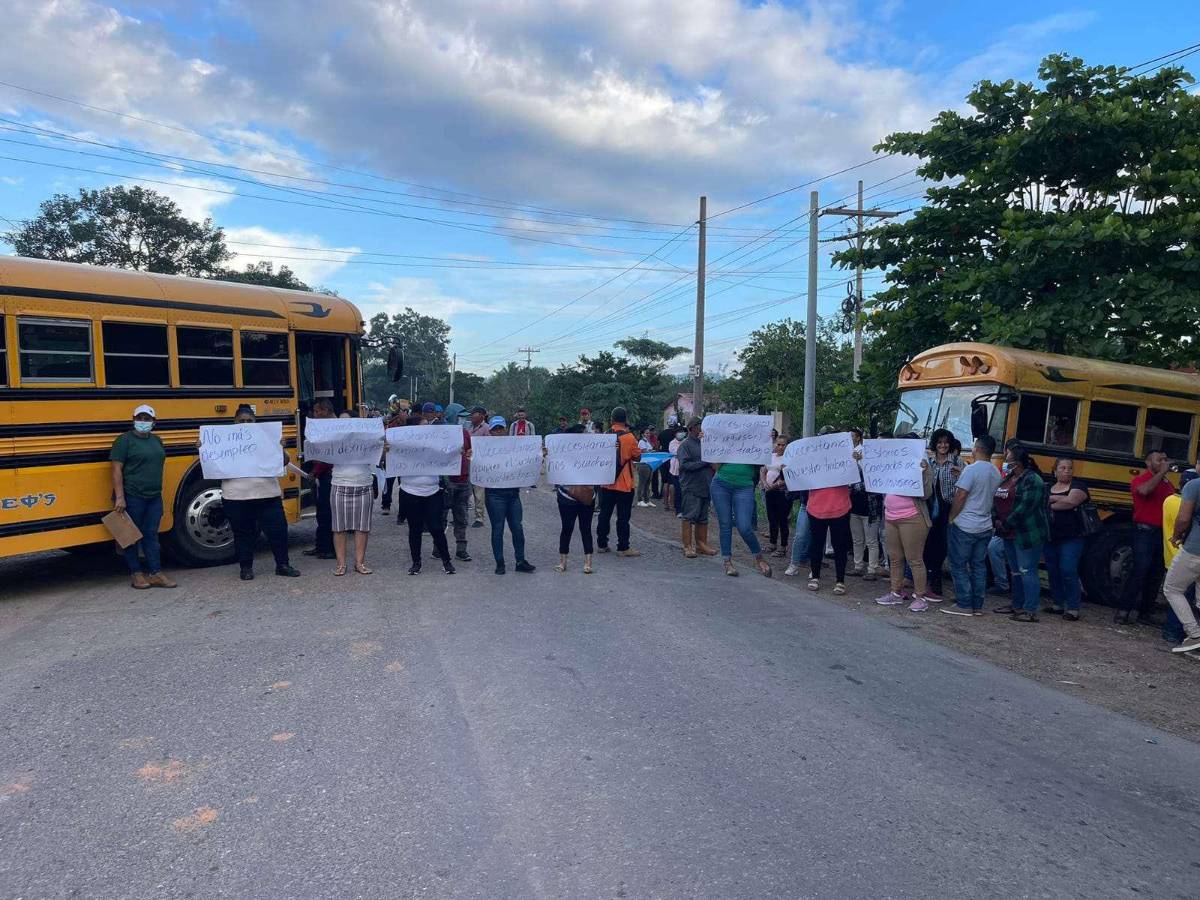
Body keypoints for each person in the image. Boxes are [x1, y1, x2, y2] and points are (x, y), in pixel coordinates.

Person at [212, 405, 300, 581]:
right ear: (234, 422)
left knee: (278, 531)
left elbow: (283, 461)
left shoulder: (267, 437)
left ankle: (282, 564)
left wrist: (280, 447)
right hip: (236, 496)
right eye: (241, 421)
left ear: (255, 422)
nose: (245, 424)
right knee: (243, 533)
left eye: (249, 421)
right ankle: (246, 568)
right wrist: (203, 447)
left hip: (267, 494)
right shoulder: (223, 440)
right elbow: (212, 464)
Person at [109, 404, 177, 589]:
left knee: (151, 535)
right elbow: (116, 469)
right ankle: (136, 574)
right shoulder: (124, 441)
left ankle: (155, 573)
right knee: (130, 536)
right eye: (140, 418)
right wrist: (120, 497)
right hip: (132, 496)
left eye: (147, 419)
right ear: (133, 419)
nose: (143, 422)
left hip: (154, 496)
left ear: (154, 422)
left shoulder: (156, 440)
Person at [942, 435, 1001, 617]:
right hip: (984, 525)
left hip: (965, 524)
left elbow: (961, 496)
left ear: (978, 448)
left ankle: (964, 603)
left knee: (958, 565)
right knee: (978, 566)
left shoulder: (971, 470)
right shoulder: (995, 472)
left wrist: (952, 517)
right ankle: (977, 604)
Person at [1116, 449, 1176, 625]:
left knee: (1156, 573)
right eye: (1159, 460)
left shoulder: (1167, 484)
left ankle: (1145, 612)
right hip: (1145, 532)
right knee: (1140, 571)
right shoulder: (1141, 480)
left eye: (1165, 459)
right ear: (1148, 463)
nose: (1163, 462)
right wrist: (1163, 472)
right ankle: (1123, 610)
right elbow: (1144, 491)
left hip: (1162, 533)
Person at [873, 440, 935, 611]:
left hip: (912, 518)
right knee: (895, 558)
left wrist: (924, 472)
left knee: (914, 559)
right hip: (891, 517)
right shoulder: (892, 465)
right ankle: (895, 593)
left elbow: (926, 494)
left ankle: (920, 597)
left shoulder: (924, 466)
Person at [993, 444, 1050, 623]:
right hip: (1008, 532)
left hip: (1026, 533)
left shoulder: (1033, 480)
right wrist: (996, 519)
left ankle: (1030, 609)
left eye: (1007, 457)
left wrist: (1006, 523)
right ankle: (1016, 604)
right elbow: (996, 498)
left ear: (1016, 462)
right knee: (1015, 571)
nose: (1004, 460)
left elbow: (1025, 508)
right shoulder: (1009, 477)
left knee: (1027, 570)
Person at [398, 414, 456, 576]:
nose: (427, 428)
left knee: (436, 528)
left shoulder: (435, 443)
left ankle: (447, 561)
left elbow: (448, 454)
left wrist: (458, 451)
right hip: (410, 492)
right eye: (423, 426)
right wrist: (389, 450)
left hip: (432, 491)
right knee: (414, 529)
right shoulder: (402, 444)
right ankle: (416, 562)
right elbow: (389, 463)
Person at [480, 416, 536, 574]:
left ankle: (520, 560)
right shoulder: (484, 448)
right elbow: (477, 465)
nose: (498, 432)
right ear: (490, 431)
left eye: (500, 428)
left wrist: (539, 454)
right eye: (495, 429)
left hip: (513, 493)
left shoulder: (515, 446)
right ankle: (500, 563)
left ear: (505, 429)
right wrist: (472, 455)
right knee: (498, 529)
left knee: (517, 528)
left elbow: (527, 460)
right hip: (494, 495)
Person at [1042, 458, 1090, 620]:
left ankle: (1073, 607)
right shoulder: (1048, 487)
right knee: (1053, 570)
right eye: (1062, 468)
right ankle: (1057, 603)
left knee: (1068, 569)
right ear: (1055, 471)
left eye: (1070, 468)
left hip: (1072, 536)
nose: (1067, 471)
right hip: (1050, 535)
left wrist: (1051, 502)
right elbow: (1040, 503)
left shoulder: (1079, 486)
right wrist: (1058, 500)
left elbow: (1071, 502)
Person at [330, 410, 376, 576]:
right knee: (339, 527)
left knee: (362, 527)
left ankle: (359, 563)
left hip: (363, 485)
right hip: (339, 484)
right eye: (340, 422)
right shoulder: (332, 439)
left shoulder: (367, 438)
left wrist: (383, 447)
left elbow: (379, 457)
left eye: (347, 421)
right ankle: (341, 564)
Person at [710, 458, 773, 578]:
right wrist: (708, 442)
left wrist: (767, 440)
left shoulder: (755, 440)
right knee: (725, 524)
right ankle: (727, 561)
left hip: (744, 486)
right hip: (721, 484)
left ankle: (759, 557)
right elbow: (713, 464)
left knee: (744, 527)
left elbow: (761, 461)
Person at [596, 406, 642, 557]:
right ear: (626, 420)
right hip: (624, 484)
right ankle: (623, 547)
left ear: (612, 419)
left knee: (604, 514)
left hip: (606, 482)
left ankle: (602, 544)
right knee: (623, 517)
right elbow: (637, 456)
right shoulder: (629, 438)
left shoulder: (604, 436)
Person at [923, 429, 962, 600]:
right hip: (929, 507)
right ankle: (926, 580)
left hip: (948, 508)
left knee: (942, 545)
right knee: (927, 544)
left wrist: (959, 474)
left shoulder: (958, 462)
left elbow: (966, 486)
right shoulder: (928, 462)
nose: (943, 445)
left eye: (946, 442)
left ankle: (936, 580)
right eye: (939, 442)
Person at [1163, 475, 1200, 652]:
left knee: (1172, 588)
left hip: (1195, 549)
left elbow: (1184, 518)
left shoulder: (1195, 485)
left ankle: (1194, 634)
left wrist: (1177, 535)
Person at [553, 424, 596, 574]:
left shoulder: (595, 451)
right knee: (567, 528)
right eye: (585, 433)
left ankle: (588, 562)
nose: (589, 435)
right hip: (567, 495)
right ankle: (563, 561)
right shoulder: (562, 451)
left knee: (586, 528)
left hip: (587, 495)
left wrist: (612, 450)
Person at [301, 399, 338, 559]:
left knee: (327, 513)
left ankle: (329, 548)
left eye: (317, 412)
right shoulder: (325, 426)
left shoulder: (333, 427)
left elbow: (328, 455)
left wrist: (314, 472)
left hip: (329, 475)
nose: (315, 415)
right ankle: (321, 545)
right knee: (322, 513)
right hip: (323, 474)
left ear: (325, 410)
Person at [438, 404, 474, 563]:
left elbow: (471, 452)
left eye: (465, 417)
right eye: (461, 416)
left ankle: (461, 549)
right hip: (447, 482)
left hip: (463, 481)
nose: (464, 420)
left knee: (461, 517)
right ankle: (438, 548)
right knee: (441, 517)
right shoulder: (441, 435)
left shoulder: (466, 433)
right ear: (452, 416)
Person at [676, 416, 716, 558]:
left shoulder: (706, 443)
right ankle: (687, 546)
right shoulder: (685, 445)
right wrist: (704, 462)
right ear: (692, 428)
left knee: (703, 517)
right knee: (689, 516)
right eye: (699, 425)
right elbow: (685, 465)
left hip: (706, 485)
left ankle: (701, 544)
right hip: (691, 486)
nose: (702, 428)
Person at [847, 427, 883, 579]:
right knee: (857, 539)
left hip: (870, 509)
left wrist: (860, 461)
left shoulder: (876, 465)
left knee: (871, 541)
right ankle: (858, 566)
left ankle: (872, 569)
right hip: (854, 507)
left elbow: (872, 484)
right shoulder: (850, 459)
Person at [805, 480, 851, 594]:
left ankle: (840, 580)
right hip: (816, 505)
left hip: (840, 505)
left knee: (840, 545)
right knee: (816, 543)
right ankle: (815, 576)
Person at [760, 435, 793, 558]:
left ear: (787, 445)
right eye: (778, 444)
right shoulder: (771, 456)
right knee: (772, 518)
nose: (780, 447)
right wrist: (764, 483)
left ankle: (783, 547)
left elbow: (788, 477)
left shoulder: (789, 458)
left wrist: (775, 485)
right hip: (769, 491)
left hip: (782, 493)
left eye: (783, 444)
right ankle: (772, 544)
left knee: (783, 520)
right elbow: (763, 470)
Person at [467, 405, 491, 528]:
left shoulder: (487, 429)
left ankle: (479, 518)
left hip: (480, 465)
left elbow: (489, 447)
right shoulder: (469, 428)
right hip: (468, 463)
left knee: (479, 492)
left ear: (481, 416)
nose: (471, 416)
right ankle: (462, 516)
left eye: (473, 414)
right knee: (466, 491)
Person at [666, 426, 685, 517]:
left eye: (682, 432)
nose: (681, 433)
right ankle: (678, 510)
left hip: (685, 470)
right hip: (675, 470)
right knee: (678, 490)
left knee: (684, 490)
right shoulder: (672, 443)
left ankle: (685, 509)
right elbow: (677, 453)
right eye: (679, 432)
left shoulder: (686, 442)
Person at [636, 428, 656, 508]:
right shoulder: (641, 442)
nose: (648, 434)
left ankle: (647, 500)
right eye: (646, 433)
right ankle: (639, 500)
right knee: (642, 483)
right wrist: (652, 452)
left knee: (647, 483)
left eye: (649, 433)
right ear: (642, 434)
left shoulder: (647, 442)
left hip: (649, 464)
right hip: (643, 464)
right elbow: (644, 452)